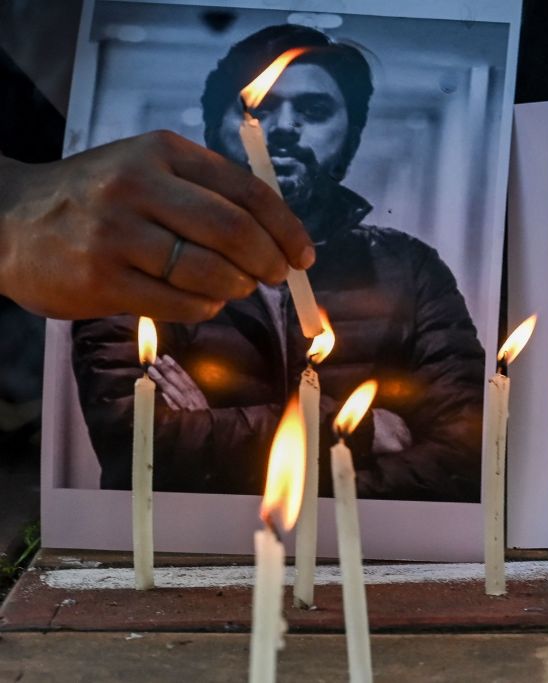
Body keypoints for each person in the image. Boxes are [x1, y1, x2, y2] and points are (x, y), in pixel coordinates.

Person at [71, 25, 485, 501]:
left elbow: (464, 458)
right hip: (189, 551)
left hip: (363, 553)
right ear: (214, 128)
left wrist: (213, 434)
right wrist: (359, 432)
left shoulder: (408, 269)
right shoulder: (137, 260)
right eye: (258, 109)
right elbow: (140, 447)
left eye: (313, 110)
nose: (285, 127)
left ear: (350, 134)